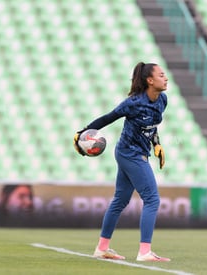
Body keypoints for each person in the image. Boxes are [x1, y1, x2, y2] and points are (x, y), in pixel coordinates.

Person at [73, 62, 170, 262]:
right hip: (130, 154)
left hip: (135, 153)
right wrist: (82, 132)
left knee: (120, 201)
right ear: (150, 81)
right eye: (161, 75)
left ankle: (102, 248)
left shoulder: (163, 100)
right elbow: (108, 118)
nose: (165, 77)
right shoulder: (133, 103)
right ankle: (144, 252)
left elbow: (151, 126)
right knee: (152, 199)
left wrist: (157, 144)